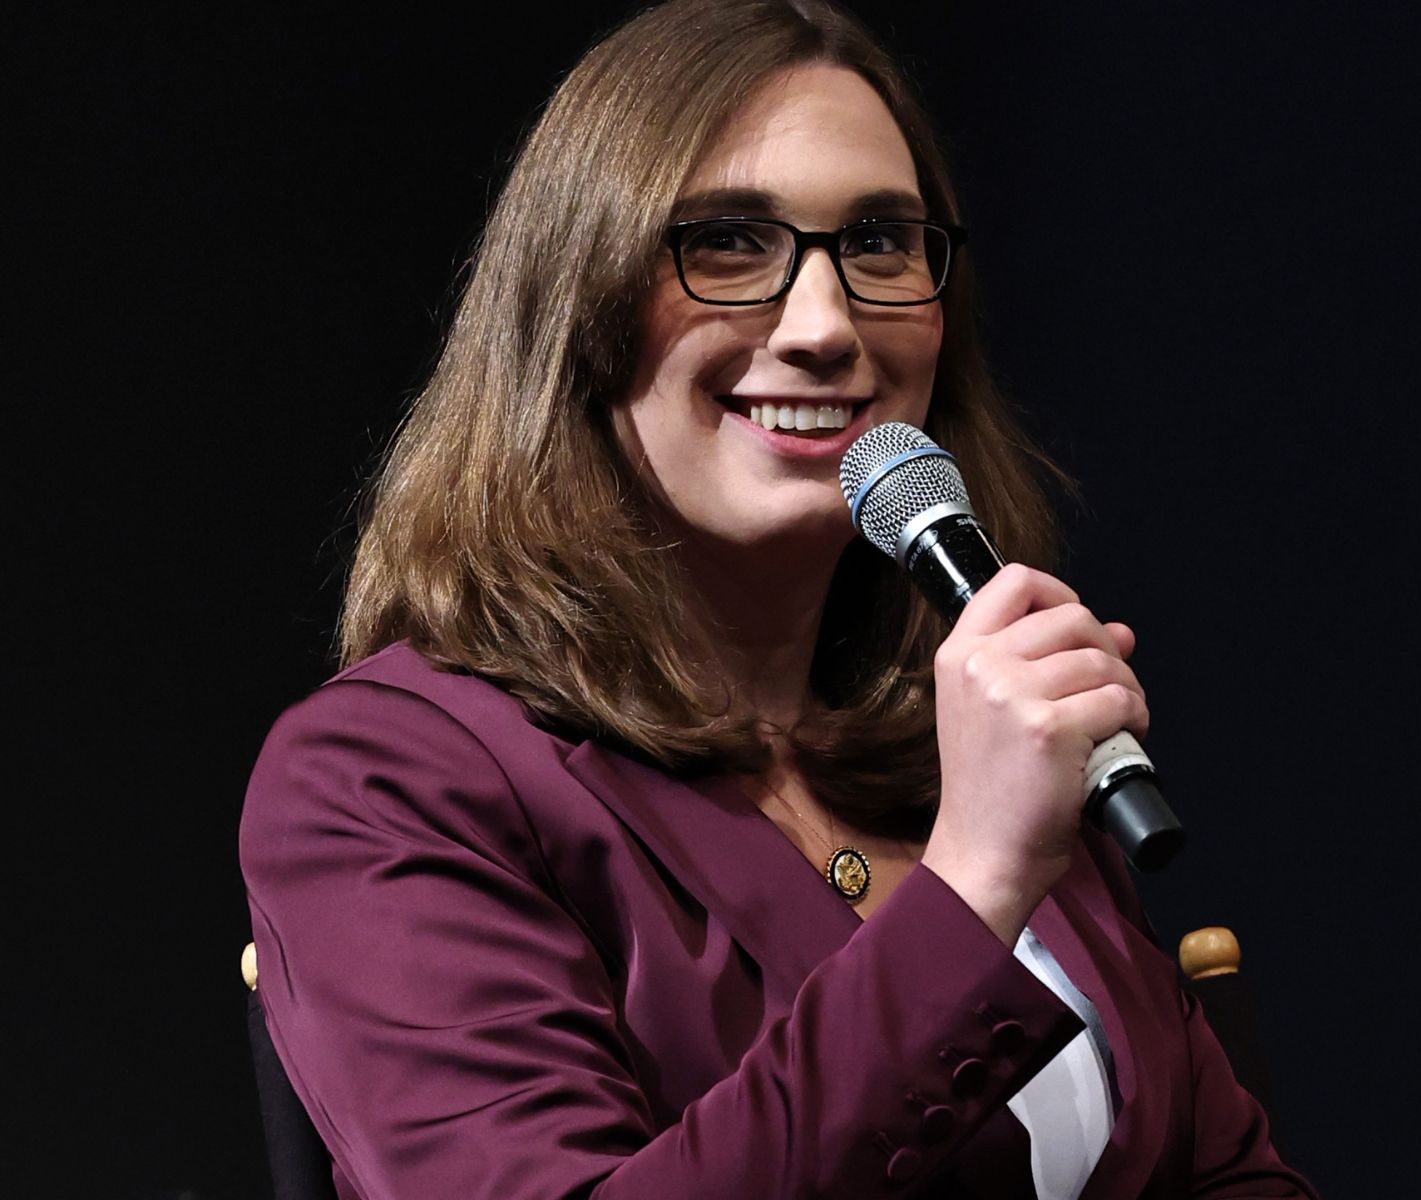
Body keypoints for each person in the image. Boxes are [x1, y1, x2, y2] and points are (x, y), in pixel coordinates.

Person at [239, 2, 1317, 1196]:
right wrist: (969, 887)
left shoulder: (960, 733)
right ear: (576, 307)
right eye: (728, 244)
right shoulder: (390, 778)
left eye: (880, 242)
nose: (823, 326)